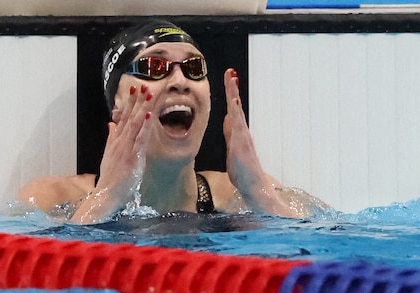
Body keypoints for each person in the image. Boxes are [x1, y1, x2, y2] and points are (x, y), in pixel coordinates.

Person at [18, 20, 328, 225]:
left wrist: (258, 191)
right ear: (117, 104)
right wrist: (107, 197)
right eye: (154, 66)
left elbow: (327, 250)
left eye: (194, 67)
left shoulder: (241, 195)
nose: (180, 81)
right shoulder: (52, 198)